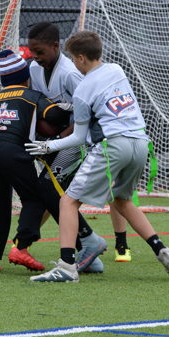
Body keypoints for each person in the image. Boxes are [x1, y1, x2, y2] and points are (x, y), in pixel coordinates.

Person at [25, 30, 169, 283]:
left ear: (80, 58)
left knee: (67, 201)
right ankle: (162, 250)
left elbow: (79, 137)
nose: (73, 64)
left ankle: (66, 267)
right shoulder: (117, 70)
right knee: (122, 200)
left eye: (73, 59)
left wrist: (47, 147)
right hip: (141, 142)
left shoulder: (82, 89)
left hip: (113, 145)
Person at [27, 21, 131, 265]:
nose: (35, 57)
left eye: (39, 51)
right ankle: (80, 249)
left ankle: (26, 242)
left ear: (56, 46)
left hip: (79, 140)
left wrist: (58, 139)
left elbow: (85, 117)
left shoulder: (71, 73)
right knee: (51, 191)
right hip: (56, 139)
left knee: (54, 189)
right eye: (32, 52)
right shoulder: (34, 68)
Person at [0, 49, 74, 272]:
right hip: (12, 150)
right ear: (25, 77)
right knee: (34, 198)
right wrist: (72, 107)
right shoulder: (30, 95)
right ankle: (21, 247)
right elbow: (54, 115)